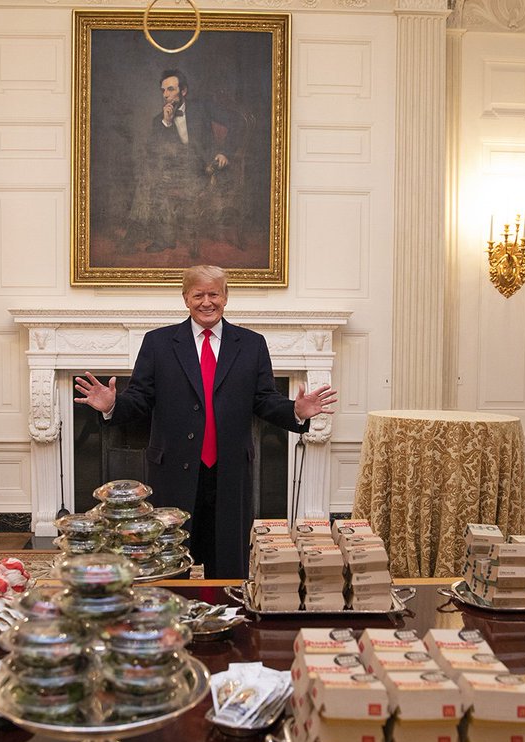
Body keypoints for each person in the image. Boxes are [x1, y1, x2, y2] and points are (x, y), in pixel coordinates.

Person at [74, 265, 337, 578]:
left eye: (214, 294)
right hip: (172, 469)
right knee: (170, 559)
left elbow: (264, 400)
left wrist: (296, 410)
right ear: (186, 298)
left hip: (230, 471)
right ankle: (175, 619)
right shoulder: (158, 344)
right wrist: (113, 405)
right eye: (198, 294)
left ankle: (225, 617)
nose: (207, 302)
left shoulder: (251, 345)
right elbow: (141, 399)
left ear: (225, 297)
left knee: (228, 561)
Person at [120, 70, 240, 258]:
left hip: (203, 170)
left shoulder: (203, 107)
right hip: (174, 171)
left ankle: (141, 236)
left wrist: (225, 151)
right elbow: (154, 152)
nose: (166, 95)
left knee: (152, 177)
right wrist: (166, 123)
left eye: (170, 89)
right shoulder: (159, 120)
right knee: (150, 177)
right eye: (163, 91)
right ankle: (154, 237)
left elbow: (236, 121)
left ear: (183, 91)